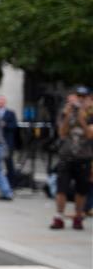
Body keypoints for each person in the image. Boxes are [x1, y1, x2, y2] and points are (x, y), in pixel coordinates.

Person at [50, 86, 93, 230]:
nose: (80, 100)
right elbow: (62, 133)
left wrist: (81, 119)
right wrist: (69, 117)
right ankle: (59, 216)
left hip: (84, 158)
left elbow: (89, 135)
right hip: (66, 156)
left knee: (81, 190)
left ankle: (78, 216)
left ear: (89, 99)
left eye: (84, 97)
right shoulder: (66, 112)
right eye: (78, 97)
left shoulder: (91, 114)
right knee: (61, 188)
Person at [0, 95, 18, 185]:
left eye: (2, 101)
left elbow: (14, 126)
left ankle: (12, 182)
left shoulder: (10, 113)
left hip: (7, 141)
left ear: (5, 102)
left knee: (9, 162)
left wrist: (5, 125)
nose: (0, 103)